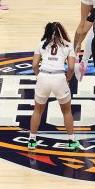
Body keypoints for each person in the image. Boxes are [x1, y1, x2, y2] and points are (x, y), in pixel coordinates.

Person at [27, 22, 82, 151]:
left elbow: (34, 65)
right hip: (59, 78)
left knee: (37, 110)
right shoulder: (68, 45)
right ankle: (71, 140)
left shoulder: (41, 44)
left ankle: (31, 140)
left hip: (44, 76)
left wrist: (38, 76)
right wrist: (67, 78)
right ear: (62, 32)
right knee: (66, 111)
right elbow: (72, 67)